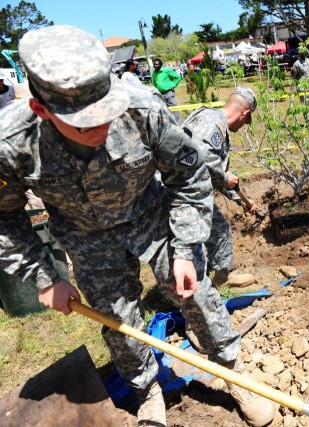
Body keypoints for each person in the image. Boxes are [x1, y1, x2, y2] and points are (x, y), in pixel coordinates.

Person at [0, 25, 274, 427]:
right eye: (86, 122)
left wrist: (184, 248)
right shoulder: (13, 144)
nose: (104, 126)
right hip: (86, 238)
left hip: (154, 219)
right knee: (118, 321)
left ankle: (233, 371)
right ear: (43, 110)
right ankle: (147, 391)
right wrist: (44, 278)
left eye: (106, 111)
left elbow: (191, 176)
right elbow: (5, 217)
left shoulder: (143, 109)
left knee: (196, 294)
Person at [182, 87, 258, 283]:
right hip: (184, 192)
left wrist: (243, 201)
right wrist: (225, 178)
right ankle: (206, 285)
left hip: (192, 190)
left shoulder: (214, 122)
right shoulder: (214, 123)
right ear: (245, 113)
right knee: (202, 237)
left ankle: (217, 278)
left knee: (219, 232)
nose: (243, 126)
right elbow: (203, 155)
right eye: (246, 121)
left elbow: (216, 174)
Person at [152, 58, 182, 122]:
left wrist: (174, 85)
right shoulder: (154, 73)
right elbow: (155, 84)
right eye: (154, 64)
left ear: (161, 65)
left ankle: (180, 125)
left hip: (169, 93)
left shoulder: (166, 70)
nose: (155, 66)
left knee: (174, 109)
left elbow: (178, 77)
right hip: (160, 95)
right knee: (164, 111)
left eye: (157, 64)